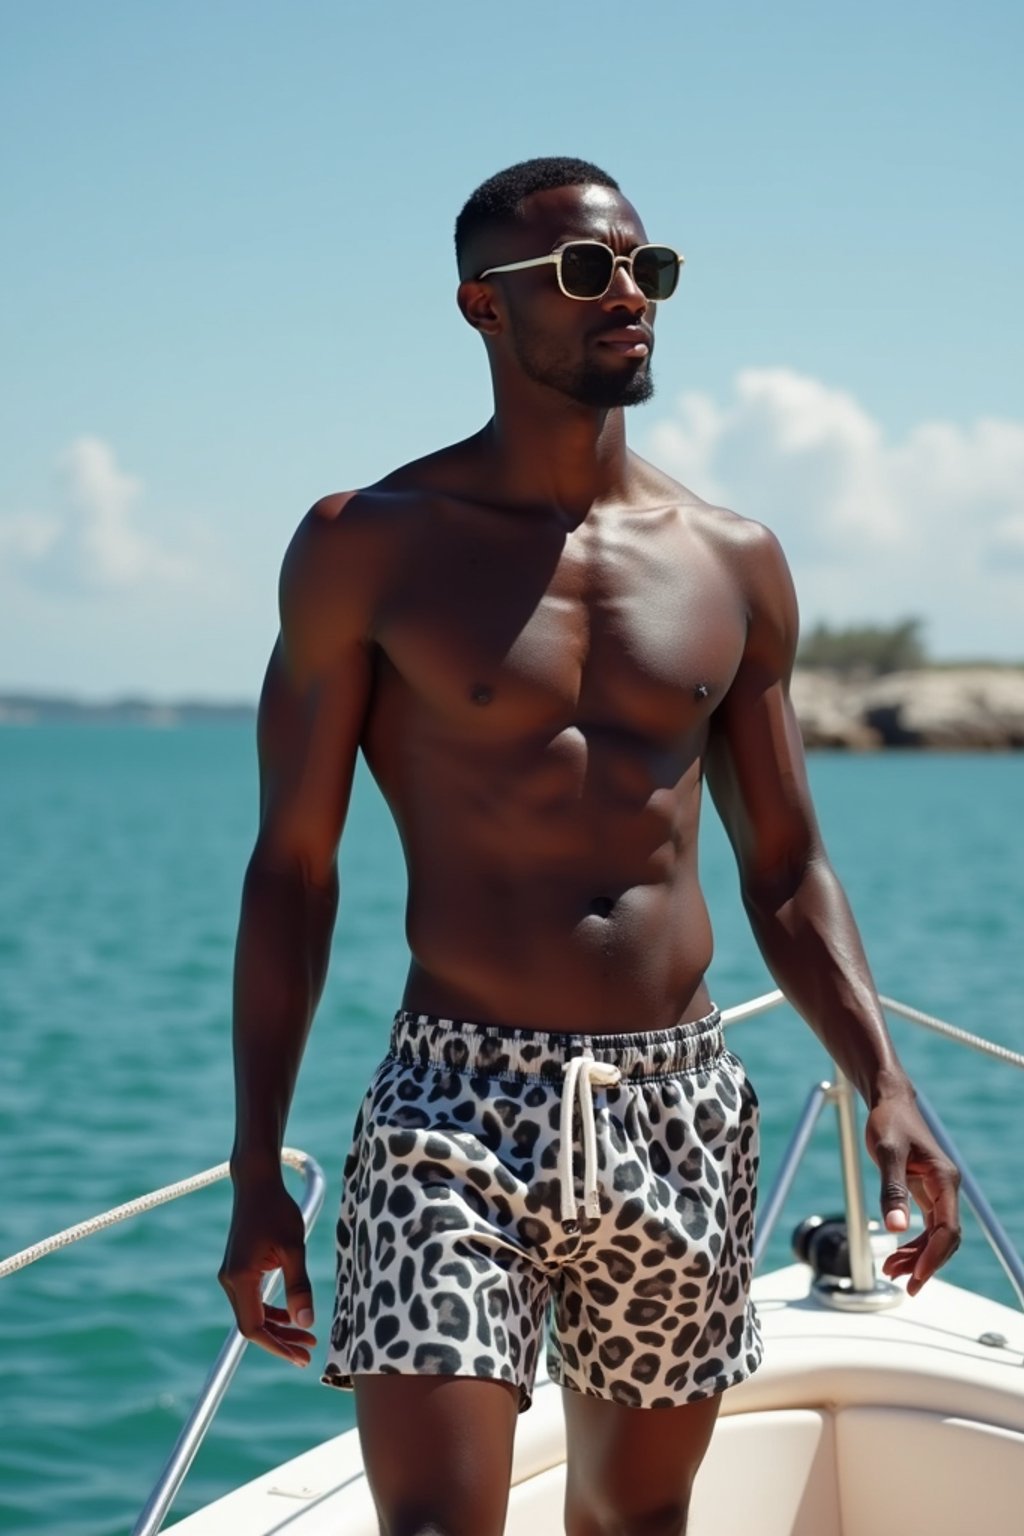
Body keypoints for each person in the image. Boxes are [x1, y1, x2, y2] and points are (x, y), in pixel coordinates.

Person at [219, 156, 961, 1536]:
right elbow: (295, 868)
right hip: (454, 1109)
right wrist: (256, 1163)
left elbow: (786, 866)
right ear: (479, 308)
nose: (627, 293)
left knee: (636, 1523)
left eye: (645, 268)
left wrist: (885, 1079)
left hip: (676, 1107)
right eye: (582, 269)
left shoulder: (733, 560)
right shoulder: (365, 547)